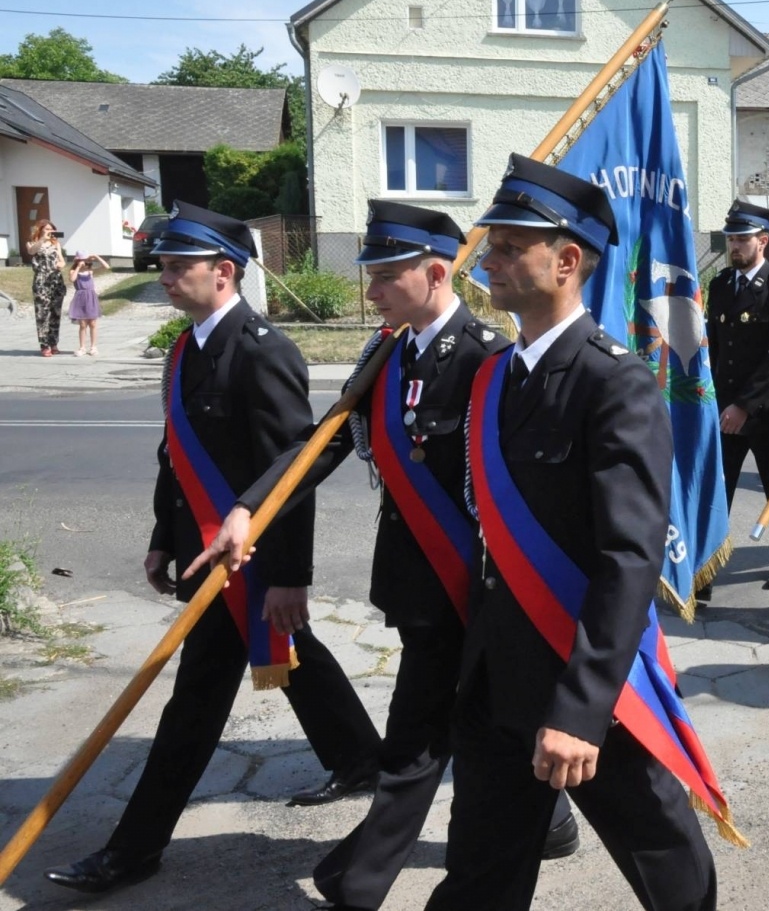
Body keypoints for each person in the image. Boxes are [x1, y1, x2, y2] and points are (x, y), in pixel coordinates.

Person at [197, 201, 576, 911]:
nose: (370, 292)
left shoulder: (487, 360)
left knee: (413, 744)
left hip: (473, 590)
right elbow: (324, 443)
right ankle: (550, 821)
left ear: (436, 272)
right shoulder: (388, 353)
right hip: (416, 583)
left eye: (383, 277)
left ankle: (354, 881)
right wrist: (251, 505)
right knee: (481, 728)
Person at [45, 203, 381, 897]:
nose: (162, 276)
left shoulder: (263, 351)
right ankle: (358, 756)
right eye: (162, 264)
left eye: (177, 266)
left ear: (223, 271)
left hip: (250, 563)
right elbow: (176, 457)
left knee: (194, 703)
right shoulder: (185, 346)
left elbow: (293, 473)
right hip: (207, 557)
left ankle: (132, 848)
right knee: (290, 657)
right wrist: (161, 538)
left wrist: (289, 579)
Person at [425, 156, 716, 911]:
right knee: (479, 873)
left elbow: (628, 558)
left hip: (584, 678)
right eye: (490, 244)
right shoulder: (495, 375)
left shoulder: (614, 382)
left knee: (665, 863)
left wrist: (581, 709)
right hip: (496, 676)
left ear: (565, 261)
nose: (486, 259)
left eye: (507, 247)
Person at [706, 200, 769, 589]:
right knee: (717, 493)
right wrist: (717, 402)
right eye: (731, 239)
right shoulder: (720, 286)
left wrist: (744, 406)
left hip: (766, 411)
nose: (734, 246)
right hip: (724, 410)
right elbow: (716, 350)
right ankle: (706, 566)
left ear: (762, 241)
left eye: (742, 239)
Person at [26, 218, 67, 356]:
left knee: (55, 313)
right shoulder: (32, 242)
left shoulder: (56, 243)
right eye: (47, 229)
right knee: (42, 313)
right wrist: (43, 239)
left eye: (52, 229)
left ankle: (54, 342)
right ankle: (44, 345)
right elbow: (32, 251)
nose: (50, 232)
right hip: (41, 280)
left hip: (56, 280)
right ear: (41, 229)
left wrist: (61, 264)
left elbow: (61, 260)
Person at [67, 250, 110, 356]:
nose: (85, 263)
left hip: (91, 297)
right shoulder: (74, 271)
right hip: (80, 297)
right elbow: (72, 279)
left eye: (86, 261)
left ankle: (93, 347)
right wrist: (78, 267)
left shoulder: (90, 272)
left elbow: (106, 267)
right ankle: (82, 347)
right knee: (82, 324)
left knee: (93, 323)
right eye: (83, 260)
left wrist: (96, 256)